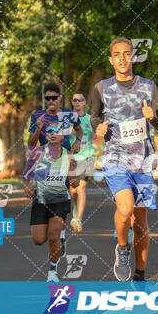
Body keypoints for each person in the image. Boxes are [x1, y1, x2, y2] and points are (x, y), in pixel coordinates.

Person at [90, 37, 158, 282]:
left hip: (142, 161)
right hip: (115, 158)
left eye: (127, 54)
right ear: (111, 59)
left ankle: (140, 274)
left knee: (141, 219)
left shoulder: (148, 87)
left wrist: (153, 119)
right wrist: (98, 129)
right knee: (125, 208)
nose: (123, 59)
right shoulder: (101, 88)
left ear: (134, 57)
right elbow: (94, 118)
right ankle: (122, 249)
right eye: (117, 54)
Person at [27, 83, 83, 257]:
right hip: (44, 165)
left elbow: (79, 131)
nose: (50, 101)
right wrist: (38, 128)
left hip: (64, 161)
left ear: (60, 97)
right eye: (47, 98)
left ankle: (59, 233)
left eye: (54, 97)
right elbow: (31, 144)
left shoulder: (69, 115)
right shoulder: (37, 115)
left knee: (63, 194)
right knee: (38, 238)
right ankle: (58, 233)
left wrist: (77, 141)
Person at [23, 122, 79, 282]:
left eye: (57, 131)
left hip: (60, 200)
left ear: (62, 136)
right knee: (39, 240)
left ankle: (52, 271)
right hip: (40, 200)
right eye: (50, 131)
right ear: (46, 135)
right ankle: (60, 235)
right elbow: (27, 173)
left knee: (53, 237)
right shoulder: (39, 152)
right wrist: (27, 186)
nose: (53, 133)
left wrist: (74, 181)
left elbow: (72, 177)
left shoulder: (68, 155)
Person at [68, 90, 95, 232]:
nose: (77, 102)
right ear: (72, 103)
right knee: (73, 191)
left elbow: (95, 136)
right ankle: (76, 210)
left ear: (84, 102)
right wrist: (69, 132)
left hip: (87, 156)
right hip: (72, 158)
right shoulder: (68, 119)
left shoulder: (90, 119)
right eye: (75, 100)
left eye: (80, 100)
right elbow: (60, 136)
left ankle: (78, 219)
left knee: (81, 188)